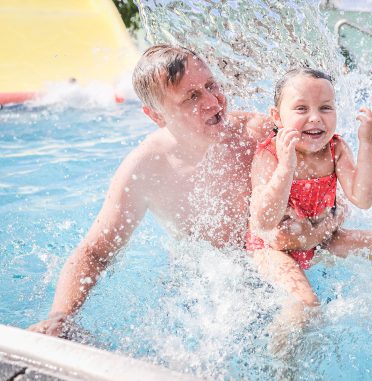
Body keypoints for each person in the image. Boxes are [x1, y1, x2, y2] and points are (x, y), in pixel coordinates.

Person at [27, 45, 343, 337]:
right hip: (207, 285)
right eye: (191, 97)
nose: (212, 101)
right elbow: (94, 252)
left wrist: (319, 229)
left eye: (211, 85)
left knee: (305, 318)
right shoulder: (147, 168)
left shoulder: (257, 135)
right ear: (157, 116)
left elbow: (330, 188)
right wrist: (62, 315)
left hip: (280, 262)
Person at [247, 68, 372, 313]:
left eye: (325, 107)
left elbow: (363, 199)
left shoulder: (335, 148)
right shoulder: (270, 155)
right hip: (273, 249)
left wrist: (367, 142)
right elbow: (264, 222)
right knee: (306, 305)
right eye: (301, 109)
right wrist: (286, 168)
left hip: (322, 238)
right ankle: (279, 352)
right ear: (277, 117)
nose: (315, 118)